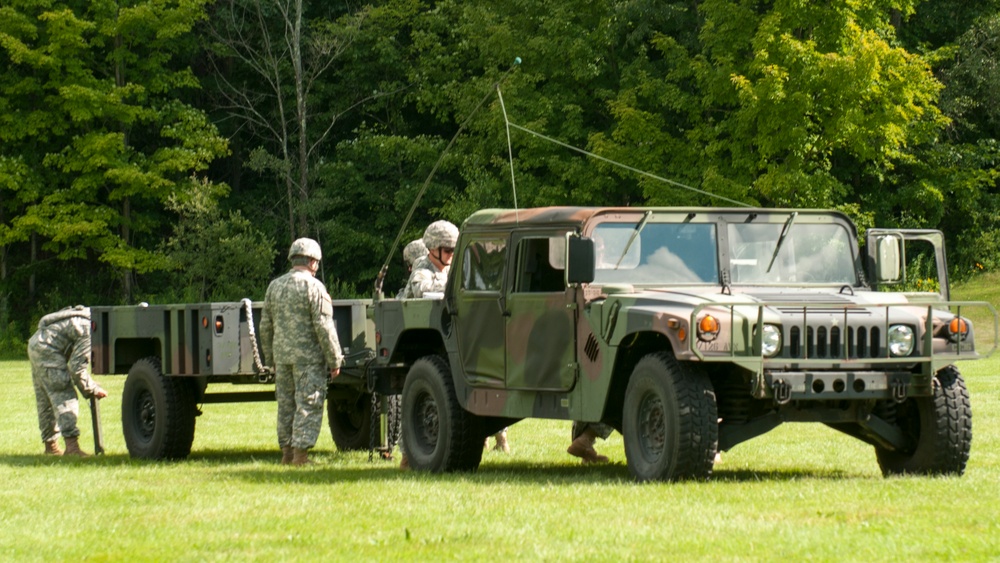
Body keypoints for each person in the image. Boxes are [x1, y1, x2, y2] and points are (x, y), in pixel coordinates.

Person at [260, 238, 345, 466]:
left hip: (282, 359)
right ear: (312, 262)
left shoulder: (274, 287)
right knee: (308, 403)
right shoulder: (314, 287)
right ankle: (300, 457)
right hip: (308, 360)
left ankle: (287, 455)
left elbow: (265, 326)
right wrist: (334, 359)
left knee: (286, 405)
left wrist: (270, 359)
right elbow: (324, 326)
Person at [28, 305, 108, 456]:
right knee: (63, 392)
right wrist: (91, 388)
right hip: (48, 349)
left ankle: (51, 446)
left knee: (45, 397)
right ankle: (72, 447)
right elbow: (77, 369)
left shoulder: (85, 316)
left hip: (36, 343)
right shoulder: (89, 328)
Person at [402, 220, 458, 298]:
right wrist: (456, 286)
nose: (452, 254)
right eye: (447, 250)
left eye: (454, 250)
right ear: (432, 248)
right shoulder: (421, 271)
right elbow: (420, 290)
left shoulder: (452, 269)